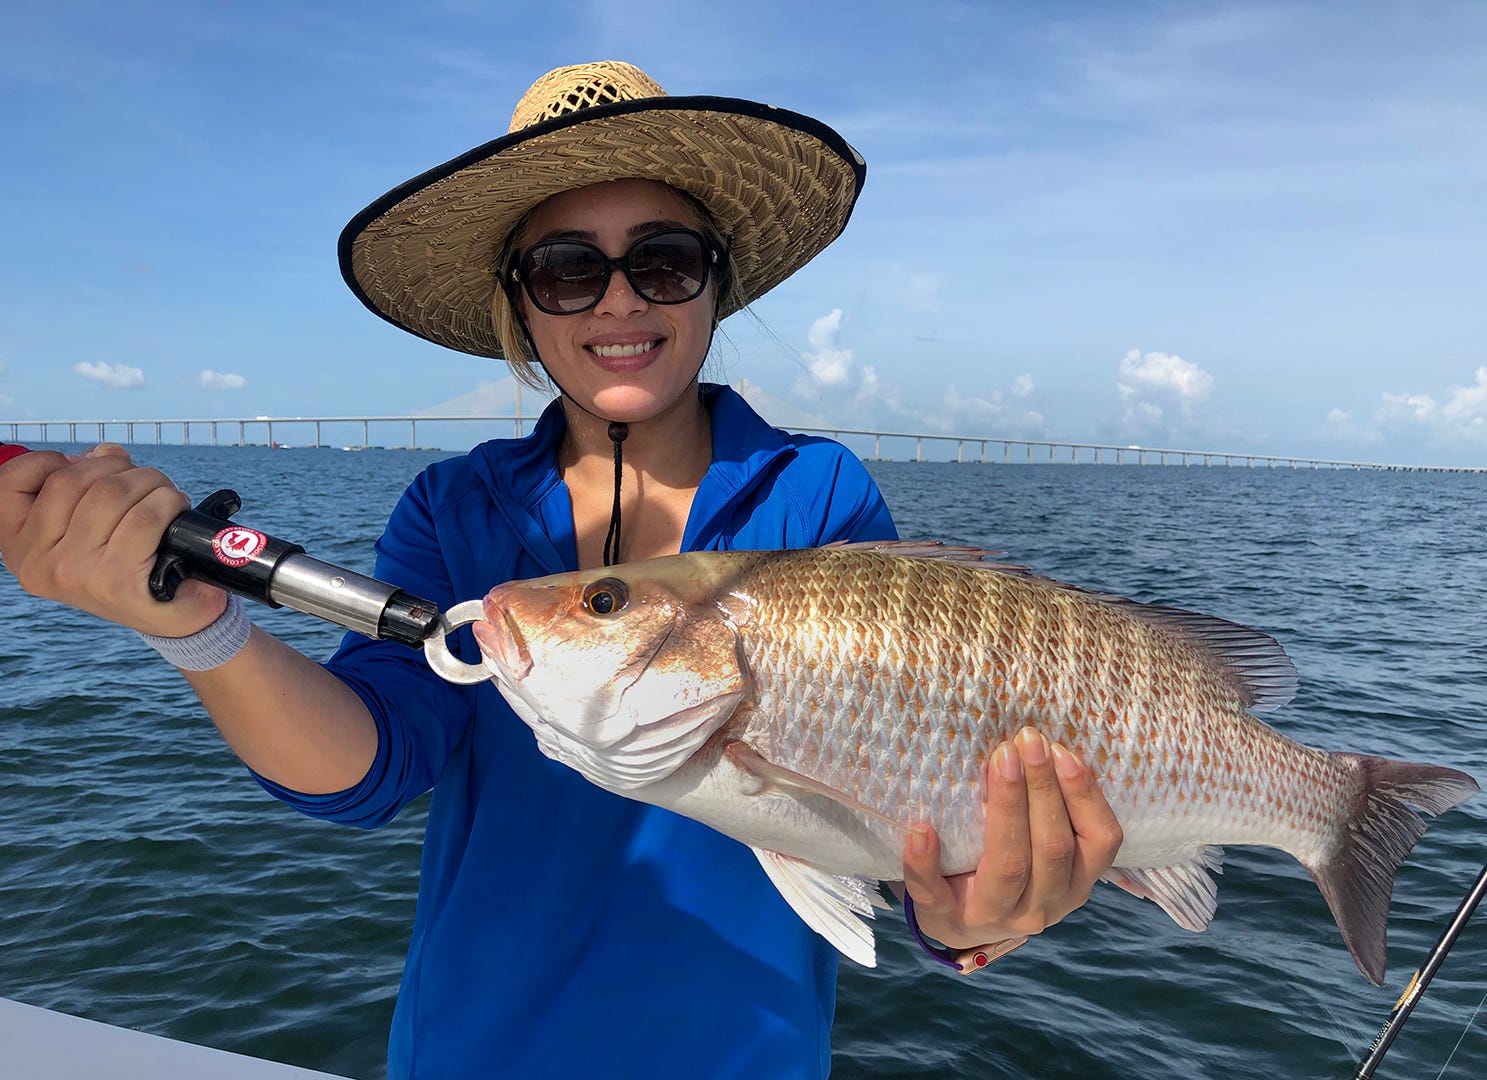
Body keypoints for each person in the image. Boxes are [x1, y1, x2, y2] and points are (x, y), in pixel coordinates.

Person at [0, 62, 1122, 1078]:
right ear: (519, 305)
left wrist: (967, 914)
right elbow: (375, 763)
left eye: (663, 261)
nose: (620, 298)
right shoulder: (453, 509)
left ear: (713, 287)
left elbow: (894, 800)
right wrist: (199, 630)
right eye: (566, 268)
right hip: (472, 1052)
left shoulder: (817, 496)